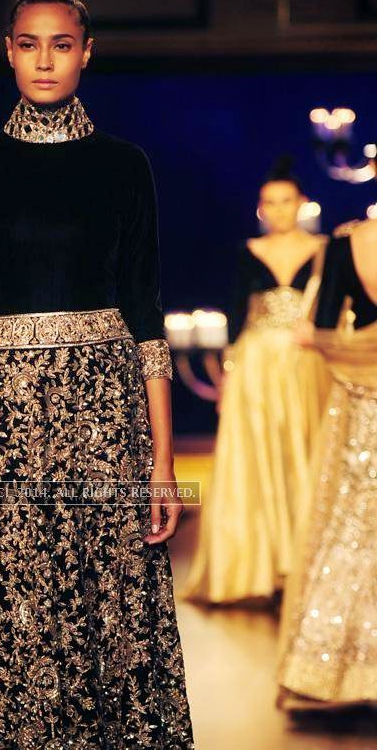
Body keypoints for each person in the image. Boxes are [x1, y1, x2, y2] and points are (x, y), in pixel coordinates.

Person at [0, 0, 195, 746]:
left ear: (86, 51)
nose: (44, 59)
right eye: (29, 44)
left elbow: (148, 321)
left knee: (105, 611)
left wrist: (164, 463)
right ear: (8, 49)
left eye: (61, 44)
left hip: (104, 424)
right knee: (4, 611)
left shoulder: (124, 168)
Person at [179, 157, 333, 605]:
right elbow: (234, 316)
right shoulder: (247, 252)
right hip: (257, 364)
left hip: (307, 362)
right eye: (270, 202)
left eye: (287, 201)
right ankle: (259, 565)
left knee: (304, 452)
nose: (279, 210)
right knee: (257, 457)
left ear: (301, 204)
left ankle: (306, 564)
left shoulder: (325, 249)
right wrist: (227, 375)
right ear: (261, 208)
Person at [276, 217, 377, 710]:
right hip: (360, 392)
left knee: (351, 521)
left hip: (359, 394)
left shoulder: (345, 244)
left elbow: (317, 330)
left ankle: (333, 664)